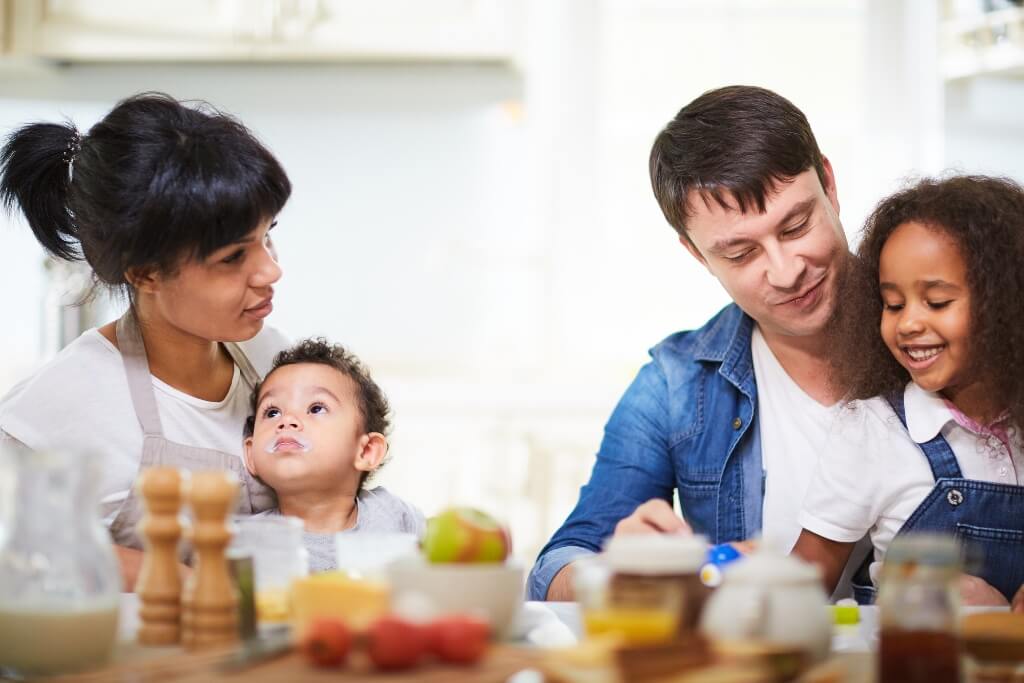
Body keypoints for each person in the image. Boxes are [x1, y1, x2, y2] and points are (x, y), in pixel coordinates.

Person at [528, 84, 859, 601]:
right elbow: (555, 567)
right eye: (741, 254)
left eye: (795, 226)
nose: (786, 270)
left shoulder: (953, 335)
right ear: (697, 254)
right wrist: (619, 573)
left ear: (829, 184)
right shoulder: (675, 384)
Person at [0, 92, 292, 589]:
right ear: (146, 274)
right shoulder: (56, 408)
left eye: (268, 237)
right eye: (232, 258)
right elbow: (16, 550)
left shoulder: (272, 359)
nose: (271, 270)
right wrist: (177, 580)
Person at [793, 175, 1024, 609]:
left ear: (1007, 303)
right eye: (893, 304)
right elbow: (804, 581)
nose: (908, 323)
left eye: (936, 302)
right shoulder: (871, 431)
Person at [242, 338, 426, 572]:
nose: (287, 421)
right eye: (272, 412)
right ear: (251, 454)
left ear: (366, 451)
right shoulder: (248, 542)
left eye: (316, 408)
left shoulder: (395, 516)